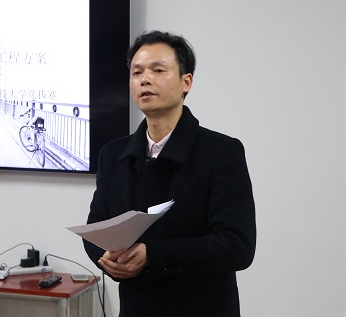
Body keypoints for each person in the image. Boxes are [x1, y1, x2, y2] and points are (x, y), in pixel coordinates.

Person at [84, 30, 256, 317]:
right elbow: (96, 229)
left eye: (158, 70)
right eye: (137, 72)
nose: (145, 79)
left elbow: (237, 246)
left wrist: (152, 255)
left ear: (186, 81)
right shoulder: (113, 154)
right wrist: (107, 260)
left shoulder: (221, 152)